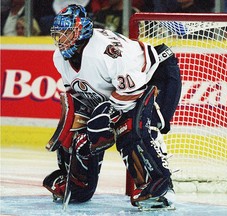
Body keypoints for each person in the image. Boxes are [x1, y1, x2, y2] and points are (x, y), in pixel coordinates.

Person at [43, 4, 181, 210]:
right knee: (78, 133)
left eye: (67, 33)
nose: (62, 40)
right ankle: (79, 185)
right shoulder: (59, 57)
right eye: (59, 34)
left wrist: (106, 114)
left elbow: (133, 91)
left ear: (82, 31)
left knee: (132, 129)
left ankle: (159, 187)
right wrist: (80, 128)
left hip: (156, 76)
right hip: (119, 88)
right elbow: (79, 97)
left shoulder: (107, 52)